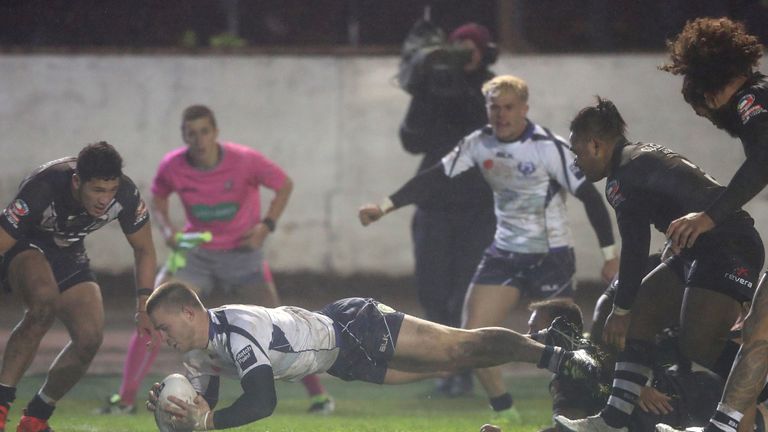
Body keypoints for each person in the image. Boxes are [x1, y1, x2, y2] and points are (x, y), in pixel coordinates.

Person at [359, 74, 618, 422]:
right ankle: (506, 412)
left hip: (551, 256)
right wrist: (385, 206)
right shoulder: (478, 143)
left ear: (524, 108)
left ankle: (587, 414)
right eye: (494, 107)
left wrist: (609, 256)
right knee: (472, 339)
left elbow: (589, 197)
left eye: (509, 107)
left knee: (563, 346)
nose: (501, 114)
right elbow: (435, 177)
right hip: (505, 252)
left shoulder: (546, 146)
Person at [98, 105, 334, 416]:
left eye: (204, 131)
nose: (198, 139)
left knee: (282, 327)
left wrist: (266, 226)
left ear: (216, 132)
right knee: (153, 315)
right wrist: (168, 229)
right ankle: (125, 399)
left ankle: (318, 396)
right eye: (191, 133)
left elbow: (284, 184)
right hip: (196, 255)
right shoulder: (173, 165)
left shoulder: (245, 160)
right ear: (184, 136)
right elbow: (157, 196)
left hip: (242, 255)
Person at [553, 97, 764, 432]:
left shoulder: (621, 179)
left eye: (577, 152)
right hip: (704, 247)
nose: (576, 163)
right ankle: (613, 420)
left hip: (728, 246)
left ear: (595, 144)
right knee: (644, 307)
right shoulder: (638, 156)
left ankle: (757, 394)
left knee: (698, 342)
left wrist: (619, 312)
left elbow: (635, 248)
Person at [143, 281, 602, 431]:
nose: (163, 338)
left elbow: (262, 404)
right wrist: (175, 412)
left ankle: (557, 354)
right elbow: (206, 415)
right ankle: (554, 346)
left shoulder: (238, 329)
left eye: (164, 327)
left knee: (460, 345)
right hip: (342, 360)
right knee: (454, 362)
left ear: (188, 311)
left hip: (353, 327)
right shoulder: (199, 355)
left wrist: (204, 423)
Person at [654, 17, 768, 432]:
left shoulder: (749, 100)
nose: (706, 116)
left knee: (758, 336)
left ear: (709, 86)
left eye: (700, 108)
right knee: (757, 333)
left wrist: (708, 217)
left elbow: (762, 162)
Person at [0, 142, 158, 432]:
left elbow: (145, 249)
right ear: (77, 181)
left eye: (110, 191)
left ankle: (35, 418)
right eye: (97, 191)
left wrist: (143, 306)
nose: (104, 200)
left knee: (90, 337)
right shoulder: (44, 186)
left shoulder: (125, 194)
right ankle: (1, 403)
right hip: (25, 243)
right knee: (43, 303)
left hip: (67, 250)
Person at [397, 20, 498, 397]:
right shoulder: (433, 83)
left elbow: (488, 133)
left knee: (465, 296)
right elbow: (411, 139)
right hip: (434, 203)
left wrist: (461, 93)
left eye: (471, 48)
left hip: (478, 206)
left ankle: (462, 369)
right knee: (433, 292)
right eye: (458, 47)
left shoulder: (491, 89)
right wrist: (425, 91)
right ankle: (445, 365)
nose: (463, 55)